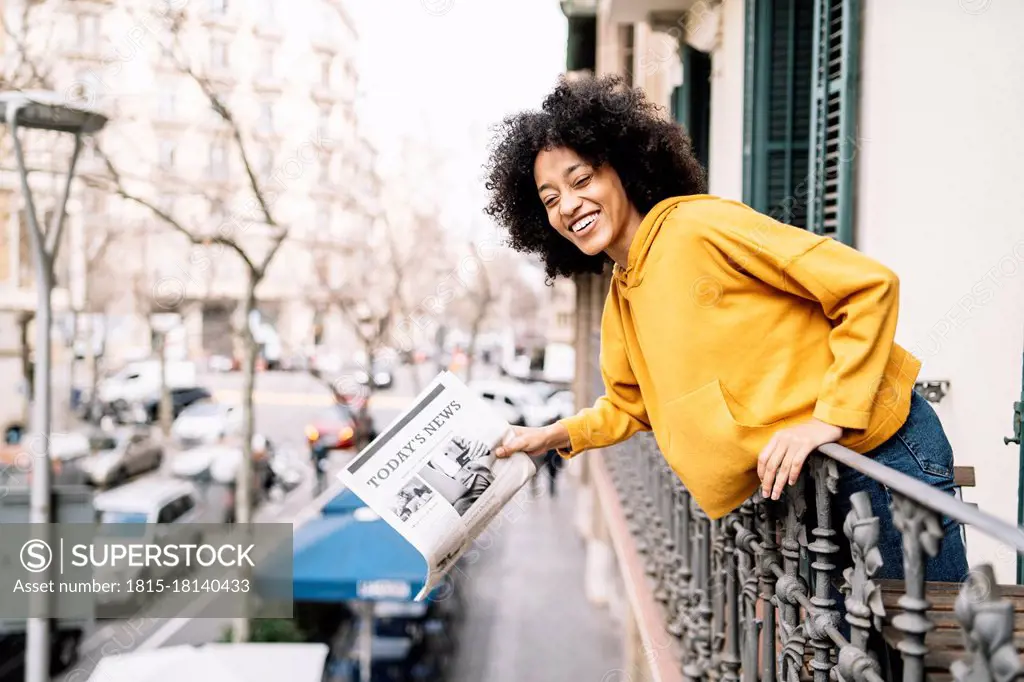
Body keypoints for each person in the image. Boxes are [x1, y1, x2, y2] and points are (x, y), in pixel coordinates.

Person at [487, 75, 967, 582]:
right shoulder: (623, 294)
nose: (567, 205)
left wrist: (828, 419)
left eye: (581, 180)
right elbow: (631, 406)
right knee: (868, 659)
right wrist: (552, 435)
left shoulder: (697, 227)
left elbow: (869, 286)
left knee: (929, 652)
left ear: (622, 171)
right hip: (818, 486)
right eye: (550, 197)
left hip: (882, 455)